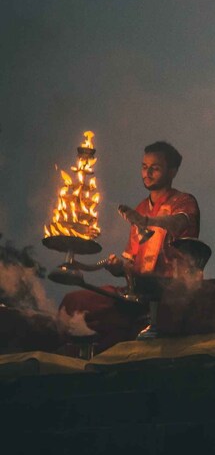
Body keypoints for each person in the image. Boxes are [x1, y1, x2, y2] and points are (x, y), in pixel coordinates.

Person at [58, 141, 200, 351]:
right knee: (74, 302)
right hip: (135, 294)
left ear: (172, 172)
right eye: (144, 167)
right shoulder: (141, 208)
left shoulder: (184, 201)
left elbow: (178, 223)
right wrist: (118, 267)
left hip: (168, 293)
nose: (147, 173)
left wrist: (145, 221)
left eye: (155, 168)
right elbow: (132, 264)